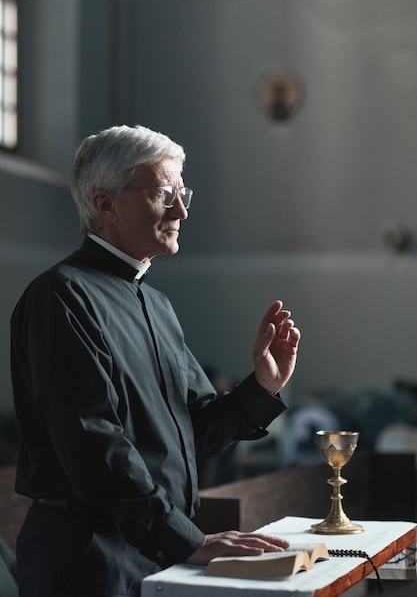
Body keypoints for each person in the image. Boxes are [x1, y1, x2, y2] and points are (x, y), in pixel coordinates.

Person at [10, 124, 301, 597]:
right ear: (105, 204)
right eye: (164, 194)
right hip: (90, 554)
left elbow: (192, 433)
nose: (182, 210)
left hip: (153, 545)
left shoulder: (156, 304)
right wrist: (188, 542)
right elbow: (94, 449)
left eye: (182, 193)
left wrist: (262, 387)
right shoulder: (62, 296)